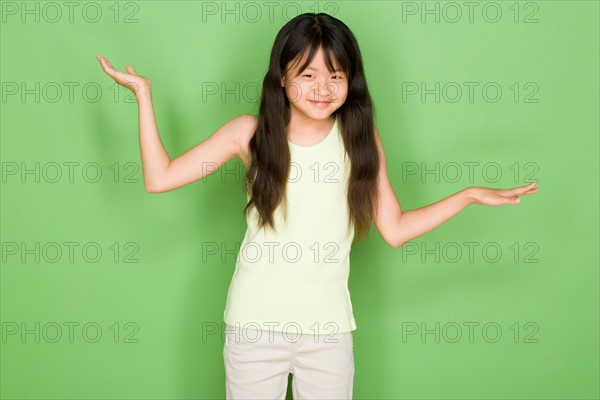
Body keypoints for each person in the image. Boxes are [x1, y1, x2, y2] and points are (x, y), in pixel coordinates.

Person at [96, 12, 539, 400]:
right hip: (254, 328)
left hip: (328, 334)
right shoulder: (248, 134)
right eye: (307, 74)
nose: (323, 88)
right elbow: (160, 178)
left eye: (336, 75)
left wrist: (468, 196)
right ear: (282, 78)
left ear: (351, 80)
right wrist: (144, 96)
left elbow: (396, 228)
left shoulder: (359, 140)